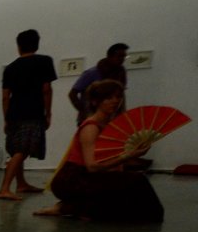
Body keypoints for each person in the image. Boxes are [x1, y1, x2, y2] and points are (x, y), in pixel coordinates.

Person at [35, 80, 162, 222]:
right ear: (96, 102)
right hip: (73, 178)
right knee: (136, 182)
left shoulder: (111, 126)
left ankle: (75, 207)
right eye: (109, 98)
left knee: (133, 185)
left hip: (93, 176)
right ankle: (70, 207)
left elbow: (113, 160)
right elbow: (92, 166)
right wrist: (128, 156)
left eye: (118, 97)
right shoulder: (91, 127)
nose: (115, 101)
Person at [0, 29, 55, 201]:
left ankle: (21, 184)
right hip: (32, 112)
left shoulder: (11, 68)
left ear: (18, 46)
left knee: (17, 149)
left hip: (14, 113)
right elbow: (46, 90)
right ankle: (4, 188)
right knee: (22, 150)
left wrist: (6, 118)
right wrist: (48, 113)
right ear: (37, 44)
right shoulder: (44, 61)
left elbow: (5, 97)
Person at [68, 43, 128, 125]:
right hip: (90, 118)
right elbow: (72, 94)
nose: (122, 59)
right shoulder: (91, 73)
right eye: (119, 56)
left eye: (124, 56)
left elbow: (121, 96)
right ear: (109, 56)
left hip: (111, 119)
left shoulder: (120, 74)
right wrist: (84, 111)